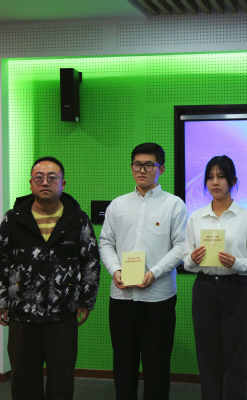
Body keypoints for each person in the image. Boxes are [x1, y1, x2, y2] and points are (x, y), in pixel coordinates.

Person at [0, 156, 100, 400]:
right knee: (23, 379)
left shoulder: (77, 219)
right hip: (22, 313)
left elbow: (90, 261)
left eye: (52, 177)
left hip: (63, 313)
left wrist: (86, 300)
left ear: (63, 183)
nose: (45, 182)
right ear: (30, 183)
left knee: (62, 378)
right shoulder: (14, 218)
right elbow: (0, 262)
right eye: (39, 178)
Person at [99, 143, 188, 400]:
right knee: (123, 362)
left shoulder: (174, 205)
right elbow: (105, 243)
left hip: (158, 296)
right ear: (131, 168)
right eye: (137, 164)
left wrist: (155, 272)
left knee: (157, 363)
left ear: (161, 169)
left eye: (149, 165)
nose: (142, 170)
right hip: (122, 296)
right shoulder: (118, 205)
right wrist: (115, 270)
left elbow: (181, 246)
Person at [183, 155, 247, 400]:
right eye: (210, 177)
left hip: (236, 288)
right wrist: (193, 259)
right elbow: (186, 261)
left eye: (220, 177)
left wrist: (237, 263)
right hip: (204, 289)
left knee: (236, 360)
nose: (215, 182)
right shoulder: (195, 217)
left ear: (233, 181)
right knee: (207, 359)